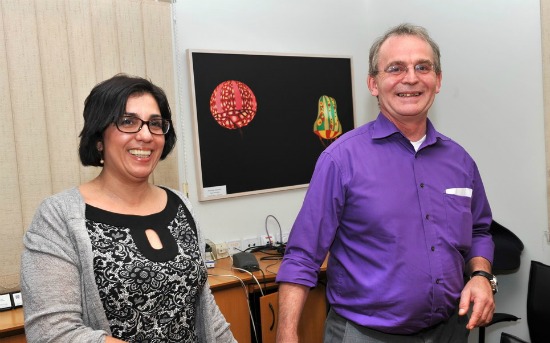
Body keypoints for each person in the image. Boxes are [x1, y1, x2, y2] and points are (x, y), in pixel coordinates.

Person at [275, 23, 496, 343]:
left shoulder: (460, 161)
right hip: (365, 334)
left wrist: (480, 275)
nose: (411, 78)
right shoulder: (341, 160)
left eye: (423, 67)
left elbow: (479, 231)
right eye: (396, 68)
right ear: (373, 83)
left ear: (438, 80)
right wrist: (286, 332)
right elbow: (302, 256)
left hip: (451, 330)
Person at [21, 74, 236, 343]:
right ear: (99, 137)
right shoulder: (58, 217)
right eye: (128, 121)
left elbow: (204, 309)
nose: (145, 134)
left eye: (155, 124)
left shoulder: (181, 205)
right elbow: (51, 334)